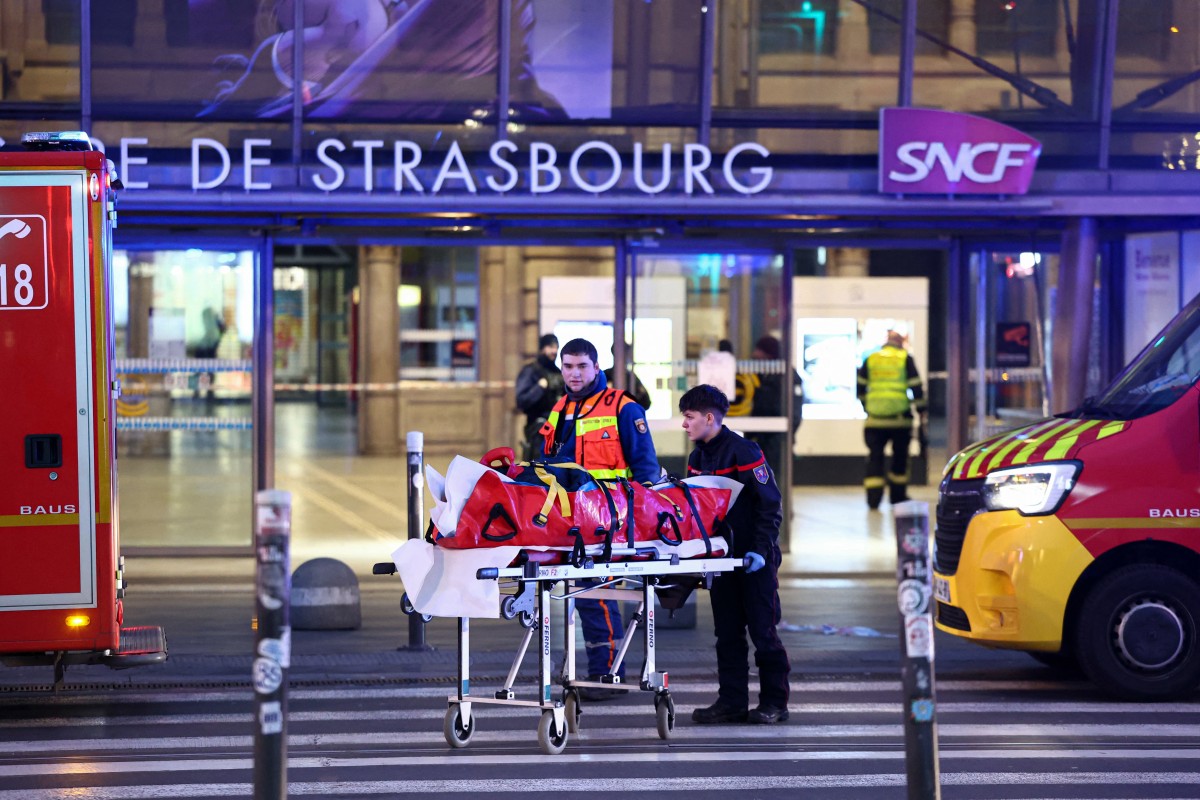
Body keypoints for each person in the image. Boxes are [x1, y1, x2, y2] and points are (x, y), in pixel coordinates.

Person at [539, 337, 660, 700]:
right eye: (568, 366)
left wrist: (638, 525)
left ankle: (607, 675)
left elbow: (646, 470)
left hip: (611, 518)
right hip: (572, 518)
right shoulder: (560, 408)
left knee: (596, 592)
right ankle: (599, 671)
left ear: (596, 367)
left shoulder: (623, 407)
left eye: (581, 366)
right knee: (582, 592)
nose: (574, 374)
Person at [679, 384, 791, 725]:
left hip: (754, 560)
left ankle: (775, 703)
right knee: (726, 634)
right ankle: (731, 702)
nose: (685, 424)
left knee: (763, 632)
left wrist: (760, 550)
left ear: (710, 418)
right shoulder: (698, 458)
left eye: (690, 417)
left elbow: (769, 505)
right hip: (721, 560)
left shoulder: (744, 452)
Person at [857, 329, 926, 510]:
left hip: (875, 420)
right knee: (900, 459)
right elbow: (916, 387)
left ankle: (873, 500)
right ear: (900, 343)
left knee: (875, 459)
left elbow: (860, 387)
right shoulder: (904, 358)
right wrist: (921, 410)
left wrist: (868, 407)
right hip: (900, 421)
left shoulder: (871, 359)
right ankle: (897, 497)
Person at [747, 335, 804, 478]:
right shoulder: (758, 375)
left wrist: (784, 436)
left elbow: (794, 414)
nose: (755, 354)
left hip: (777, 442)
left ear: (768, 354)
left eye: (759, 351)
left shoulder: (787, 376)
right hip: (759, 440)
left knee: (774, 481)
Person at [514, 333, 564, 461]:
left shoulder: (558, 373)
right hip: (538, 427)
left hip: (558, 429)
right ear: (542, 348)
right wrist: (539, 388)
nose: (554, 351)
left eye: (556, 347)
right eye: (550, 347)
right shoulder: (531, 370)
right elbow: (521, 401)